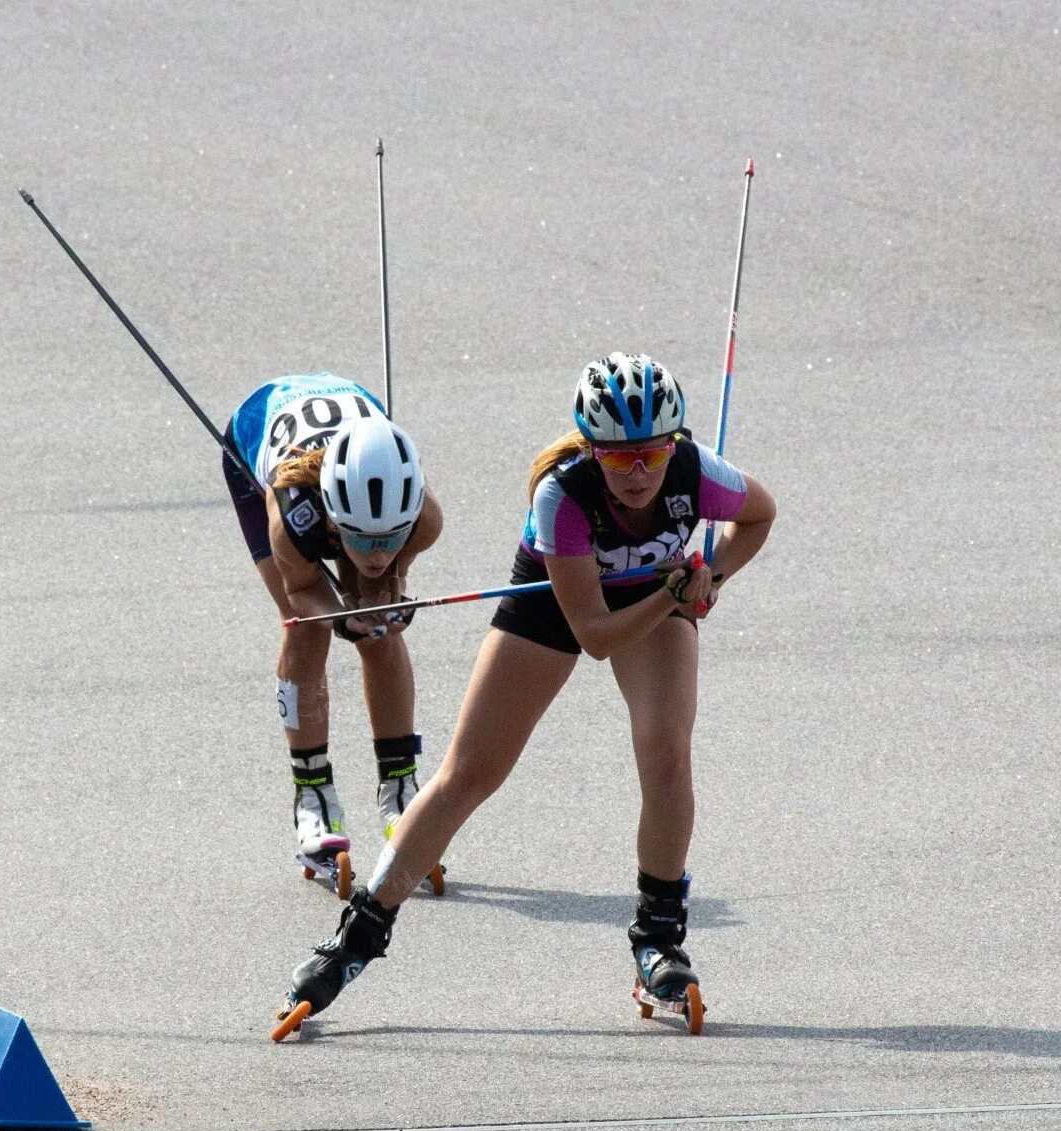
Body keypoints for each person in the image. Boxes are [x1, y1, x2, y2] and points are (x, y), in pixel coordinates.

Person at [275, 354, 777, 1034]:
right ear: (592, 449)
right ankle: (355, 940)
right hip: (564, 602)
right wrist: (672, 586)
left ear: (674, 443)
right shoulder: (562, 497)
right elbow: (595, 634)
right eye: (618, 457)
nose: (638, 473)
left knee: (667, 754)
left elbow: (760, 512)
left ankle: (660, 940)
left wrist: (710, 575)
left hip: (657, 602)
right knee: (468, 773)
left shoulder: (695, 471)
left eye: (652, 454)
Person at [221, 373, 442, 892]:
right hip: (257, 433)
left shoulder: (424, 518)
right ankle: (313, 795)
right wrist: (339, 615)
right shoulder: (294, 514)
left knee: (380, 630)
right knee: (307, 631)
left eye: (392, 537)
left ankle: (401, 788)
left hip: (348, 412)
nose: (378, 554)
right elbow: (303, 592)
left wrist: (391, 590)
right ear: (334, 518)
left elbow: (392, 565)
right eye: (361, 540)